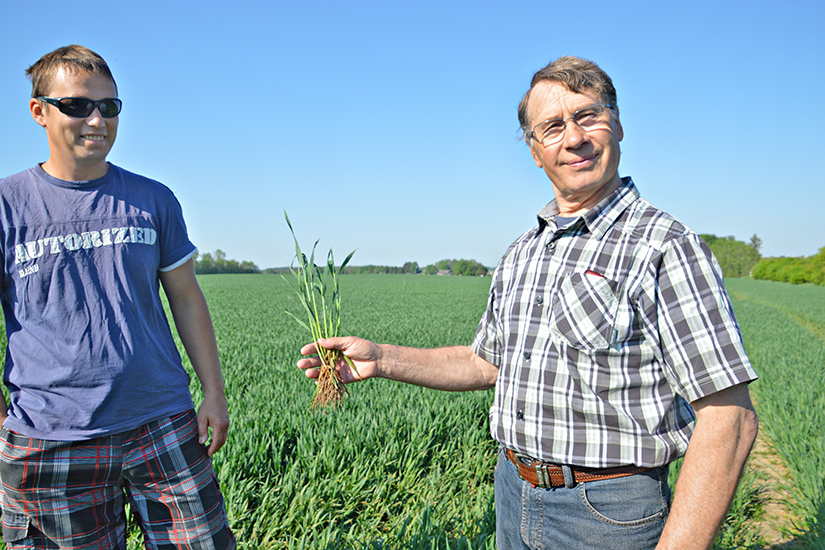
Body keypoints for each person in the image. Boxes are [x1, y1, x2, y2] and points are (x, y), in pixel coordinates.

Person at [298, 56, 759, 550]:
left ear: (618, 125)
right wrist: (383, 358)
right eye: (553, 127)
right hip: (514, 492)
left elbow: (728, 417)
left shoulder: (664, 244)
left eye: (588, 116)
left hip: (608, 513)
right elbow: (484, 363)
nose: (575, 138)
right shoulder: (523, 252)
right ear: (536, 152)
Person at [0, 45, 236, 549]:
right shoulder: (6, 205)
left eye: (109, 107)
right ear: (39, 110)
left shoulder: (153, 200)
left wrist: (213, 393)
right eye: (78, 105)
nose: (97, 120)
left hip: (162, 420)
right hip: (51, 435)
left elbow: (187, 299)